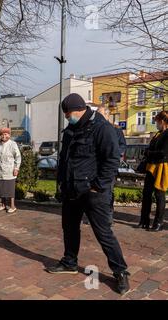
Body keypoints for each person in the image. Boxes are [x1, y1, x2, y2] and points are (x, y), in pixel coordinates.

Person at [46, 93, 130, 295]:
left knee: (104, 233)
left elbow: (111, 160)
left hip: (93, 193)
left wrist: (98, 186)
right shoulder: (70, 131)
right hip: (71, 190)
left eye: (68, 114)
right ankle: (70, 262)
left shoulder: (101, 128)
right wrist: (61, 184)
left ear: (78, 110)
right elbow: (65, 160)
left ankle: (121, 272)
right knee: (69, 228)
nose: (67, 118)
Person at [138, 111, 168, 232]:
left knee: (159, 195)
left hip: (161, 167)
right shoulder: (158, 134)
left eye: (156, 121)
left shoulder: (167, 134)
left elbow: (163, 153)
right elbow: (152, 148)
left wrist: (148, 153)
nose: (156, 124)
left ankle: (158, 223)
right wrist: (148, 151)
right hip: (151, 166)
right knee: (146, 194)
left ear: (162, 121)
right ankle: (144, 220)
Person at [0, 127, 21, 214]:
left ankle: (12, 206)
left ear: (9, 135)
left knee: (10, 189)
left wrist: (16, 168)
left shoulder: (12, 144)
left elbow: (18, 157)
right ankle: (3, 204)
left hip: (9, 170)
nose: (4, 136)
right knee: (1, 188)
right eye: (2, 134)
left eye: (6, 134)